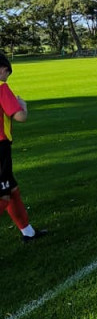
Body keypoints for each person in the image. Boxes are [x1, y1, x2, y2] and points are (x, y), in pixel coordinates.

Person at [0, 53, 48, 242]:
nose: (6, 78)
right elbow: (19, 116)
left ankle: (28, 231)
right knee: (3, 196)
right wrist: (23, 106)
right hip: (1, 148)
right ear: (2, 69)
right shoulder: (2, 87)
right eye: (6, 73)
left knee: (12, 190)